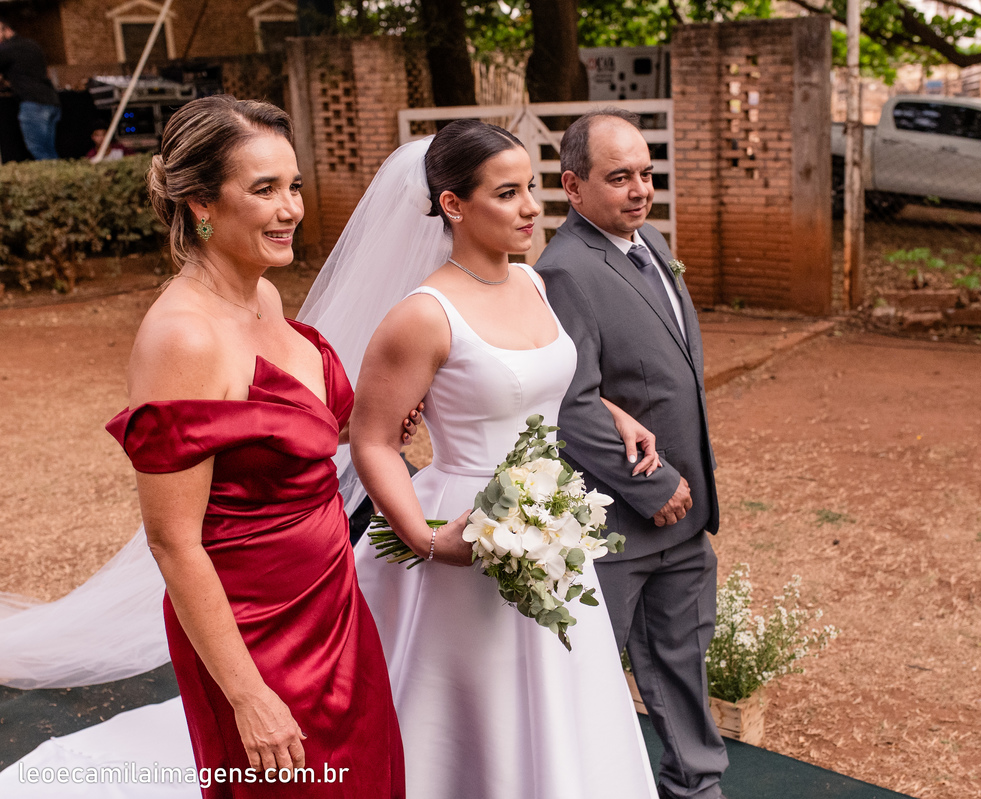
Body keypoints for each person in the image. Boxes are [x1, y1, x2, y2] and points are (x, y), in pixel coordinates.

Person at [320, 119, 658, 799]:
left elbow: (534, 383)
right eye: (507, 194)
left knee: (563, 698)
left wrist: (611, 412)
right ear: (453, 204)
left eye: (531, 188)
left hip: (553, 523)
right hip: (467, 529)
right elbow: (372, 439)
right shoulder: (423, 315)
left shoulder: (532, 283)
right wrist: (425, 538)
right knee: (477, 712)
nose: (531, 207)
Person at [105, 95, 403, 797]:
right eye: (264, 189)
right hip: (255, 634)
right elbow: (172, 541)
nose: (290, 208)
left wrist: (374, 421)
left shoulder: (262, 297)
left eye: (293, 186)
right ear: (201, 204)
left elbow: (275, 436)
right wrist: (247, 694)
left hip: (332, 603)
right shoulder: (184, 338)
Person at [534, 108, 729, 799]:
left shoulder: (652, 241)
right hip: (618, 524)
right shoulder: (563, 272)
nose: (640, 189)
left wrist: (688, 486)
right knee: (590, 681)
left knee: (684, 665)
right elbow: (569, 401)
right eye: (619, 177)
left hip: (685, 515)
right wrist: (652, 486)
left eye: (646, 173)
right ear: (573, 186)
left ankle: (697, 788)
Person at [0, 17, 61, 160]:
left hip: (33, 104)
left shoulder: (8, 48)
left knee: (38, 150)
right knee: (49, 151)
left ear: (6, 30)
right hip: (51, 102)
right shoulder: (32, 45)